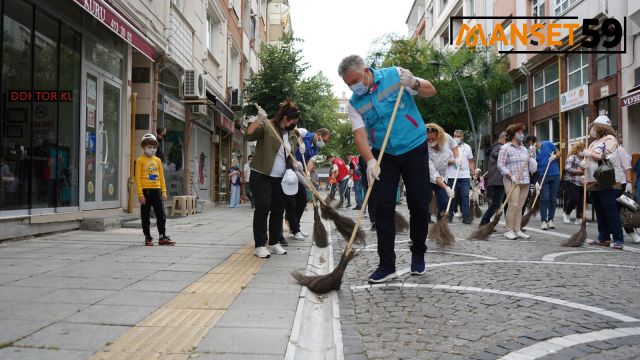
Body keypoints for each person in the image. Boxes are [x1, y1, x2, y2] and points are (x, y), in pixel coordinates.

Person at [340, 54, 436, 283]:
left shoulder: (395, 75)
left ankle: (418, 254)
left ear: (365, 70)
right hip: (385, 155)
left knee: (419, 204)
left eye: (354, 81)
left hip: (414, 147)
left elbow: (430, 90)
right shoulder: (355, 103)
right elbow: (360, 134)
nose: (353, 87)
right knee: (382, 208)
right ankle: (386, 265)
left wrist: (413, 83)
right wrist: (370, 160)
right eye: (348, 84)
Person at [246, 101, 300, 258]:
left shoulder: (289, 134)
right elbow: (249, 135)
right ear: (284, 118)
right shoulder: (268, 126)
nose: (293, 125)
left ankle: (274, 242)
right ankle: (260, 245)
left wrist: (295, 163)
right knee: (263, 207)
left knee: (278, 210)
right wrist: (258, 120)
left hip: (280, 178)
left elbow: (287, 155)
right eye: (292, 122)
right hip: (261, 174)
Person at [582, 115, 625, 250]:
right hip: (593, 181)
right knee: (599, 211)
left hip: (607, 180)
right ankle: (604, 237)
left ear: (601, 127)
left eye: (594, 126)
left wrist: (591, 155)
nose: (592, 129)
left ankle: (618, 238)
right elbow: (590, 159)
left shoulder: (610, 140)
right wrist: (584, 162)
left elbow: (610, 158)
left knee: (610, 210)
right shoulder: (594, 143)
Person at [286, 127, 331, 240]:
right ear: (318, 134)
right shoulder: (305, 133)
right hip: (287, 169)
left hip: (298, 171)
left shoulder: (315, 150)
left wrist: (307, 174)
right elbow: (294, 132)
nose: (323, 143)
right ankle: (294, 228)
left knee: (302, 201)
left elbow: (310, 164)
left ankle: (295, 227)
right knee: (291, 201)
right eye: (324, 140)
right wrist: (300, 143)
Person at [497, 124, 538, 240]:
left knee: (520, 206)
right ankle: (508, 230)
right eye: (519, 132)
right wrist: (510, 175)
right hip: (512, 181)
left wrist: (532, 156)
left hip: (525, 180)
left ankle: (517, 229)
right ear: (513, 134)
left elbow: (532, 168)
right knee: (513, 205)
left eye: (522, 132)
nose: (522, 135)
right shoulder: (505, 148)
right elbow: (500, 165)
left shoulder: (524, 148)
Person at [135, 133, 173, 246]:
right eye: (149, 147)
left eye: (154, 148)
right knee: (145, 216)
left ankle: (162, 236)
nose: (152, 150)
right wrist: (140, 194)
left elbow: (161, 177)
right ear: (143, 147)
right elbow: (137, 178)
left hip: (157, 191)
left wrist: (164, 192)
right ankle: (148, 236)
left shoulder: (157, 161)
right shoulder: (140, 160)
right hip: (145, 191)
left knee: (161, 214)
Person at [446, 130, 475, 224]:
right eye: (455, 136)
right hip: (452, 175)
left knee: (465, 196)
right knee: (452, 196)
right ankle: (449, 215)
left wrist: (473, 172)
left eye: (459, 136)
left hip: (465, 175)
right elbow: (444, 161)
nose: (457, 138)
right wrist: (454, 161)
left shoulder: (467, 147)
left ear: (462, 137)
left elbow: (471, 161)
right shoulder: (448, 147)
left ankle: (466, 216)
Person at [426, 123, 454, 220]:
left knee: (444, 202)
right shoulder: (425, 150)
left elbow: (454, 145)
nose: (430, 141)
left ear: (439, 136)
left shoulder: (445, 138)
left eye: (433, 139)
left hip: (442, 176)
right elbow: (433, 174)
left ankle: (441, 224)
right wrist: (446, 187)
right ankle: (425, 219)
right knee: (426, 200)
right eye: (428, 139)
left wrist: (457, 157)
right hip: (427, 177)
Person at [614, 139, 639, 243]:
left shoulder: (619, 150)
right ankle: (630, 232)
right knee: (618, 210)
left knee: (629, 208)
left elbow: (628, 167)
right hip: (610, 185)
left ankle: (632, 232)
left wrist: (628, 182)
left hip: (622, 184)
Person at [480, 132, 507, 225]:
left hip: (499, 180)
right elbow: (498, 154)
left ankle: (510, 223)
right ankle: (484, 222)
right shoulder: (498, 148)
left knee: (503, 203)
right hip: (498, 180)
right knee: (495, 204)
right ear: (504, 139)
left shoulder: (497, 147)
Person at [535, 138, 561, 230]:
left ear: (538, 141)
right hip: (542, 176)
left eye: (536, 144)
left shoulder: (548, 144)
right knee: (544, 198)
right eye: (533, 145)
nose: (536, 146)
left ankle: (550, 220)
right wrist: (536, 182)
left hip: (555, 174)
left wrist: (555, 156)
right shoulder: (532, 152)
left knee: (553, 199)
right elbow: (532, 167)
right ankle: (543, 221)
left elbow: (559, 153)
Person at [563, 142, 586, 225]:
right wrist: (581, 172)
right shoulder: (572, 157)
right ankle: (567, 214)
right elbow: (568, 168)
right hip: (571, 181)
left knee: (581, 200)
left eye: (584, 149)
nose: (583, 151)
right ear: (577, 149)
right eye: (581, 149)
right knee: (574, 198)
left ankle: (579, 218)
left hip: (581, 182)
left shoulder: (585, 159)